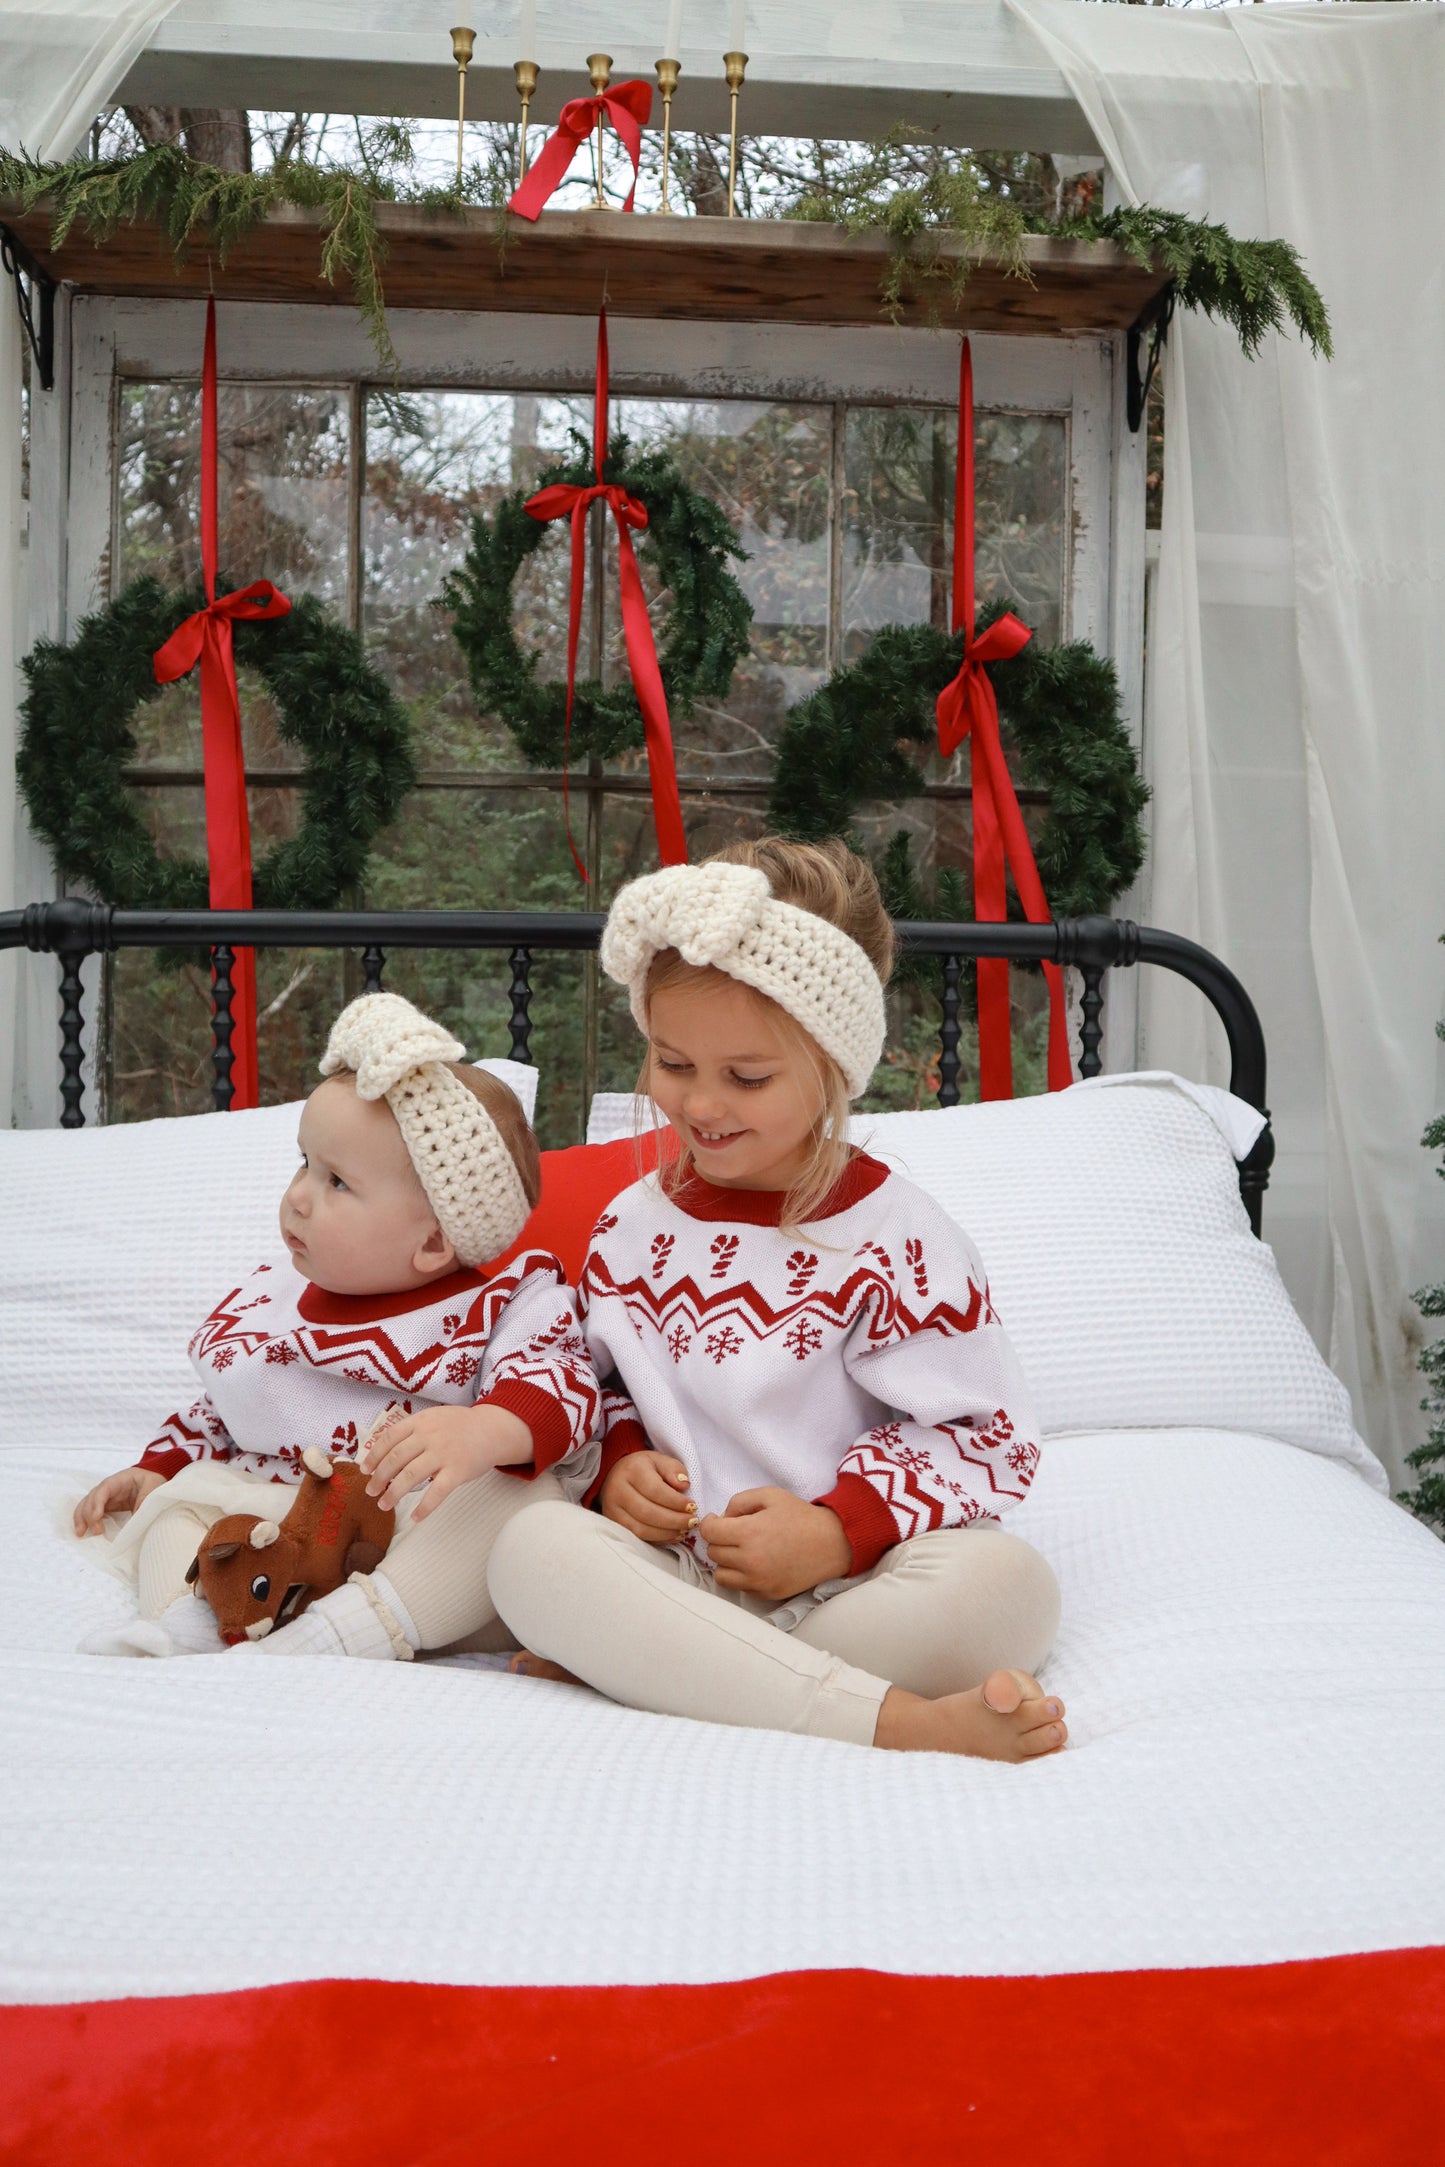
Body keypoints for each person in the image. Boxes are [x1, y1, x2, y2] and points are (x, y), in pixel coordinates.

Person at [488, 839, 1066, 1760]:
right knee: (527, 1553)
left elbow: (980, 1437)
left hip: (853, 1581)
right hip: (673, 1568)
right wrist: (620, 1469)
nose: (700, 1103)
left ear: (833, 1067)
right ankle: (892, 1721)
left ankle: (657, 1668)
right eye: (673, 1062)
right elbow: (596, 1393)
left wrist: (837, 1529)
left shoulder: (899, 1238)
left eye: (746, 1077)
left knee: (1010, 1585)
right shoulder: (627, 1227)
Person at [74, 992, 599, 1661]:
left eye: (336, 1182)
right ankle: (191, 1621)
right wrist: (157, 1466)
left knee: (520, 1501)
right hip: (272, 1523)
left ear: (434, 1243)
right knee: (178, 1512)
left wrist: (484, 1428)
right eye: (304, 1163)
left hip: (407, 1531)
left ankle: (348, 1633)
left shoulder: (507, 1301)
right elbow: (225, 1405)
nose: (297, 1194)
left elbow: (566, 1388)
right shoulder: (278, 1298)